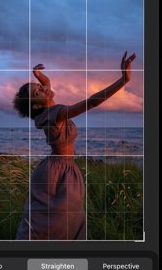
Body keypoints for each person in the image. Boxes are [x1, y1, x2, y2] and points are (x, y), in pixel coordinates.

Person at [13, 54, 135, 240]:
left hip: (63, 168)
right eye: (38, 92)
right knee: (52, 223)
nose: (44, 89)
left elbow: (47, 82)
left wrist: (38, 75)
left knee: (68, 220)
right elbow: (93, 102)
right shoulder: (56, 114)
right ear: (36, 104)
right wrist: (123, 80)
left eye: (39, 87)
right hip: (57, 172)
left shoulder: (47, 110)